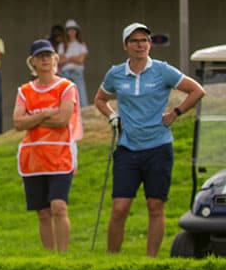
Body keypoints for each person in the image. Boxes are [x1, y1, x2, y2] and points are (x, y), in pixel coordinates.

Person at [94, 22, 205, 257]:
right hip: (127, 147)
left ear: (150, 44)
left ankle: (150, 261)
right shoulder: (115, 73)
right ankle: (111, 259)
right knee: (119, 208)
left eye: (144, 40)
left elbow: (197, 90)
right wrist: (112, 116)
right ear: (126, 46)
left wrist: (175, 113)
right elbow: (100, 99)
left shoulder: (162, 70)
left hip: (159, 146)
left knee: (155, 206)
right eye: (134, 41)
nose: (140, 45)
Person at [13, 39, 83, 252]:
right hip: (34, 157)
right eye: (40, 56)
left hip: (60, 155)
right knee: (42, 212)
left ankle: (63, 255)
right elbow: (18, 122)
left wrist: (32, 118)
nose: (44, 60)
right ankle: (49, 256)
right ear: (32, 62)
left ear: (55, 59)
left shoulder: (66, 87)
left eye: (48, 55)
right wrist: (44, 114)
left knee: (58, 206)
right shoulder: (25, 91)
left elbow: (62, 119)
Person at [58, 19, 89, 106]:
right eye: (69, 30)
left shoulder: (81, 45)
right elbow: (60, 61)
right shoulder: (62, 45)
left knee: (81, 96)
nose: (71, 32)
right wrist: (74, 58)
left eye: (73, 29)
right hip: (65, 73)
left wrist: (67, 58)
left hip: (77, 72)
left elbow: (80, 60)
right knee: (66, 96)